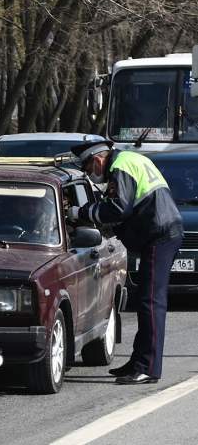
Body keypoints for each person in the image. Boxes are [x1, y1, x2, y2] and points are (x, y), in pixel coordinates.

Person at [68, 140, 183, 385]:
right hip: (160, 231)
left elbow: (119, 208)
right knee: (146, 301)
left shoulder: (121, 166)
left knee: (151, 303)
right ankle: (138, 361)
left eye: (89, 169)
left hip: (158, 234)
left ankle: (148, 367)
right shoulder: (130, 160)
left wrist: (82, 212)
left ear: (97, 160)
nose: (91, 175)